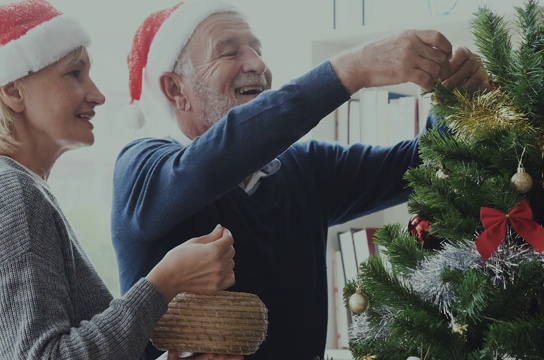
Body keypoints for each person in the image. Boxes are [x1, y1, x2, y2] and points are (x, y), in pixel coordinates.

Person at [111, 1, 490, 359]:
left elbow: (418, 165)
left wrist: (456, 104)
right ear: (176, 90)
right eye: (229, 52)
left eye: (257, 49)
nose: (256, 63)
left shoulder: (304, 168)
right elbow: (218, 158)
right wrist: (350, 69)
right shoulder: (143, 168)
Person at [0, 1, 240, 359]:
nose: (97, 95)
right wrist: (164, 283)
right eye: (74, 73)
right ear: (14, 91)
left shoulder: (24, 190)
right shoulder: (14, 192)